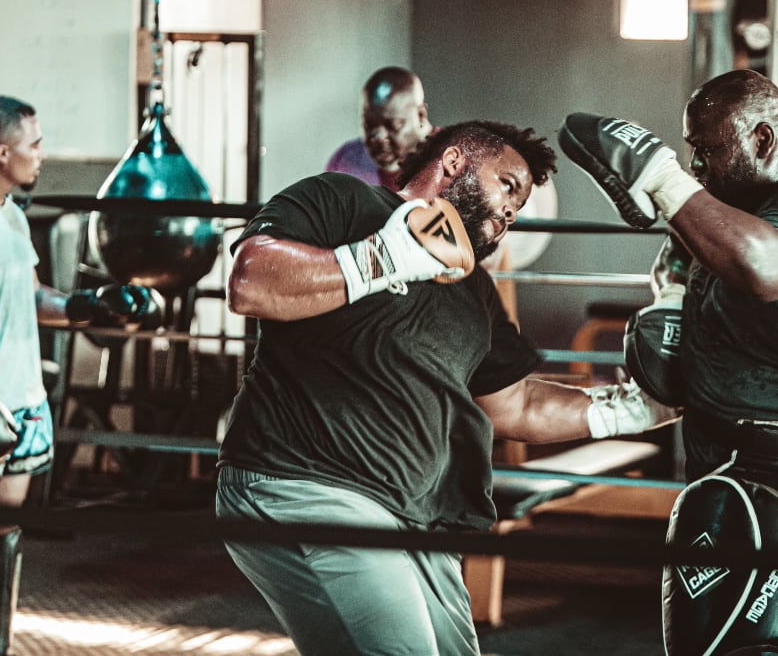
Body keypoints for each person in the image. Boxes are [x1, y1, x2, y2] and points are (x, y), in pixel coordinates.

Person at [216, 119, 679, 656]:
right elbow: (252, 281)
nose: (511, 212)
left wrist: (643, 406)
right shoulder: (344, 201)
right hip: (307, 483)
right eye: (508, 185)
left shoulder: (475, 291)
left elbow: (518, 405)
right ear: (455, 162)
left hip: (417, 515)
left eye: (519, 205)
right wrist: (386, 256)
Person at [559, 69, 778, 654]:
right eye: (688, 156)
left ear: (763, 141)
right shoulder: (732, 209)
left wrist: (662, 180)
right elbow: (692, 283)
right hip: (735, 478)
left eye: (707, 152)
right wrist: (670, 293)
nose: (697, 170)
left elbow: (763, 267)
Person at [0, 95, 162, 656]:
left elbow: (32, 295)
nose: (42, 154)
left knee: (3, 537)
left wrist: (88, 306)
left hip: (23, 402)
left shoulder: (13, 216)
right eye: (33, 144)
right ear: (1, 151)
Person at [325, 66, 434, 190]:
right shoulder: (343, 162)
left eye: (393, 125)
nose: (379, 137)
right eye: (368, 125)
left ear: (420, 116)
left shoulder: (451, 161)